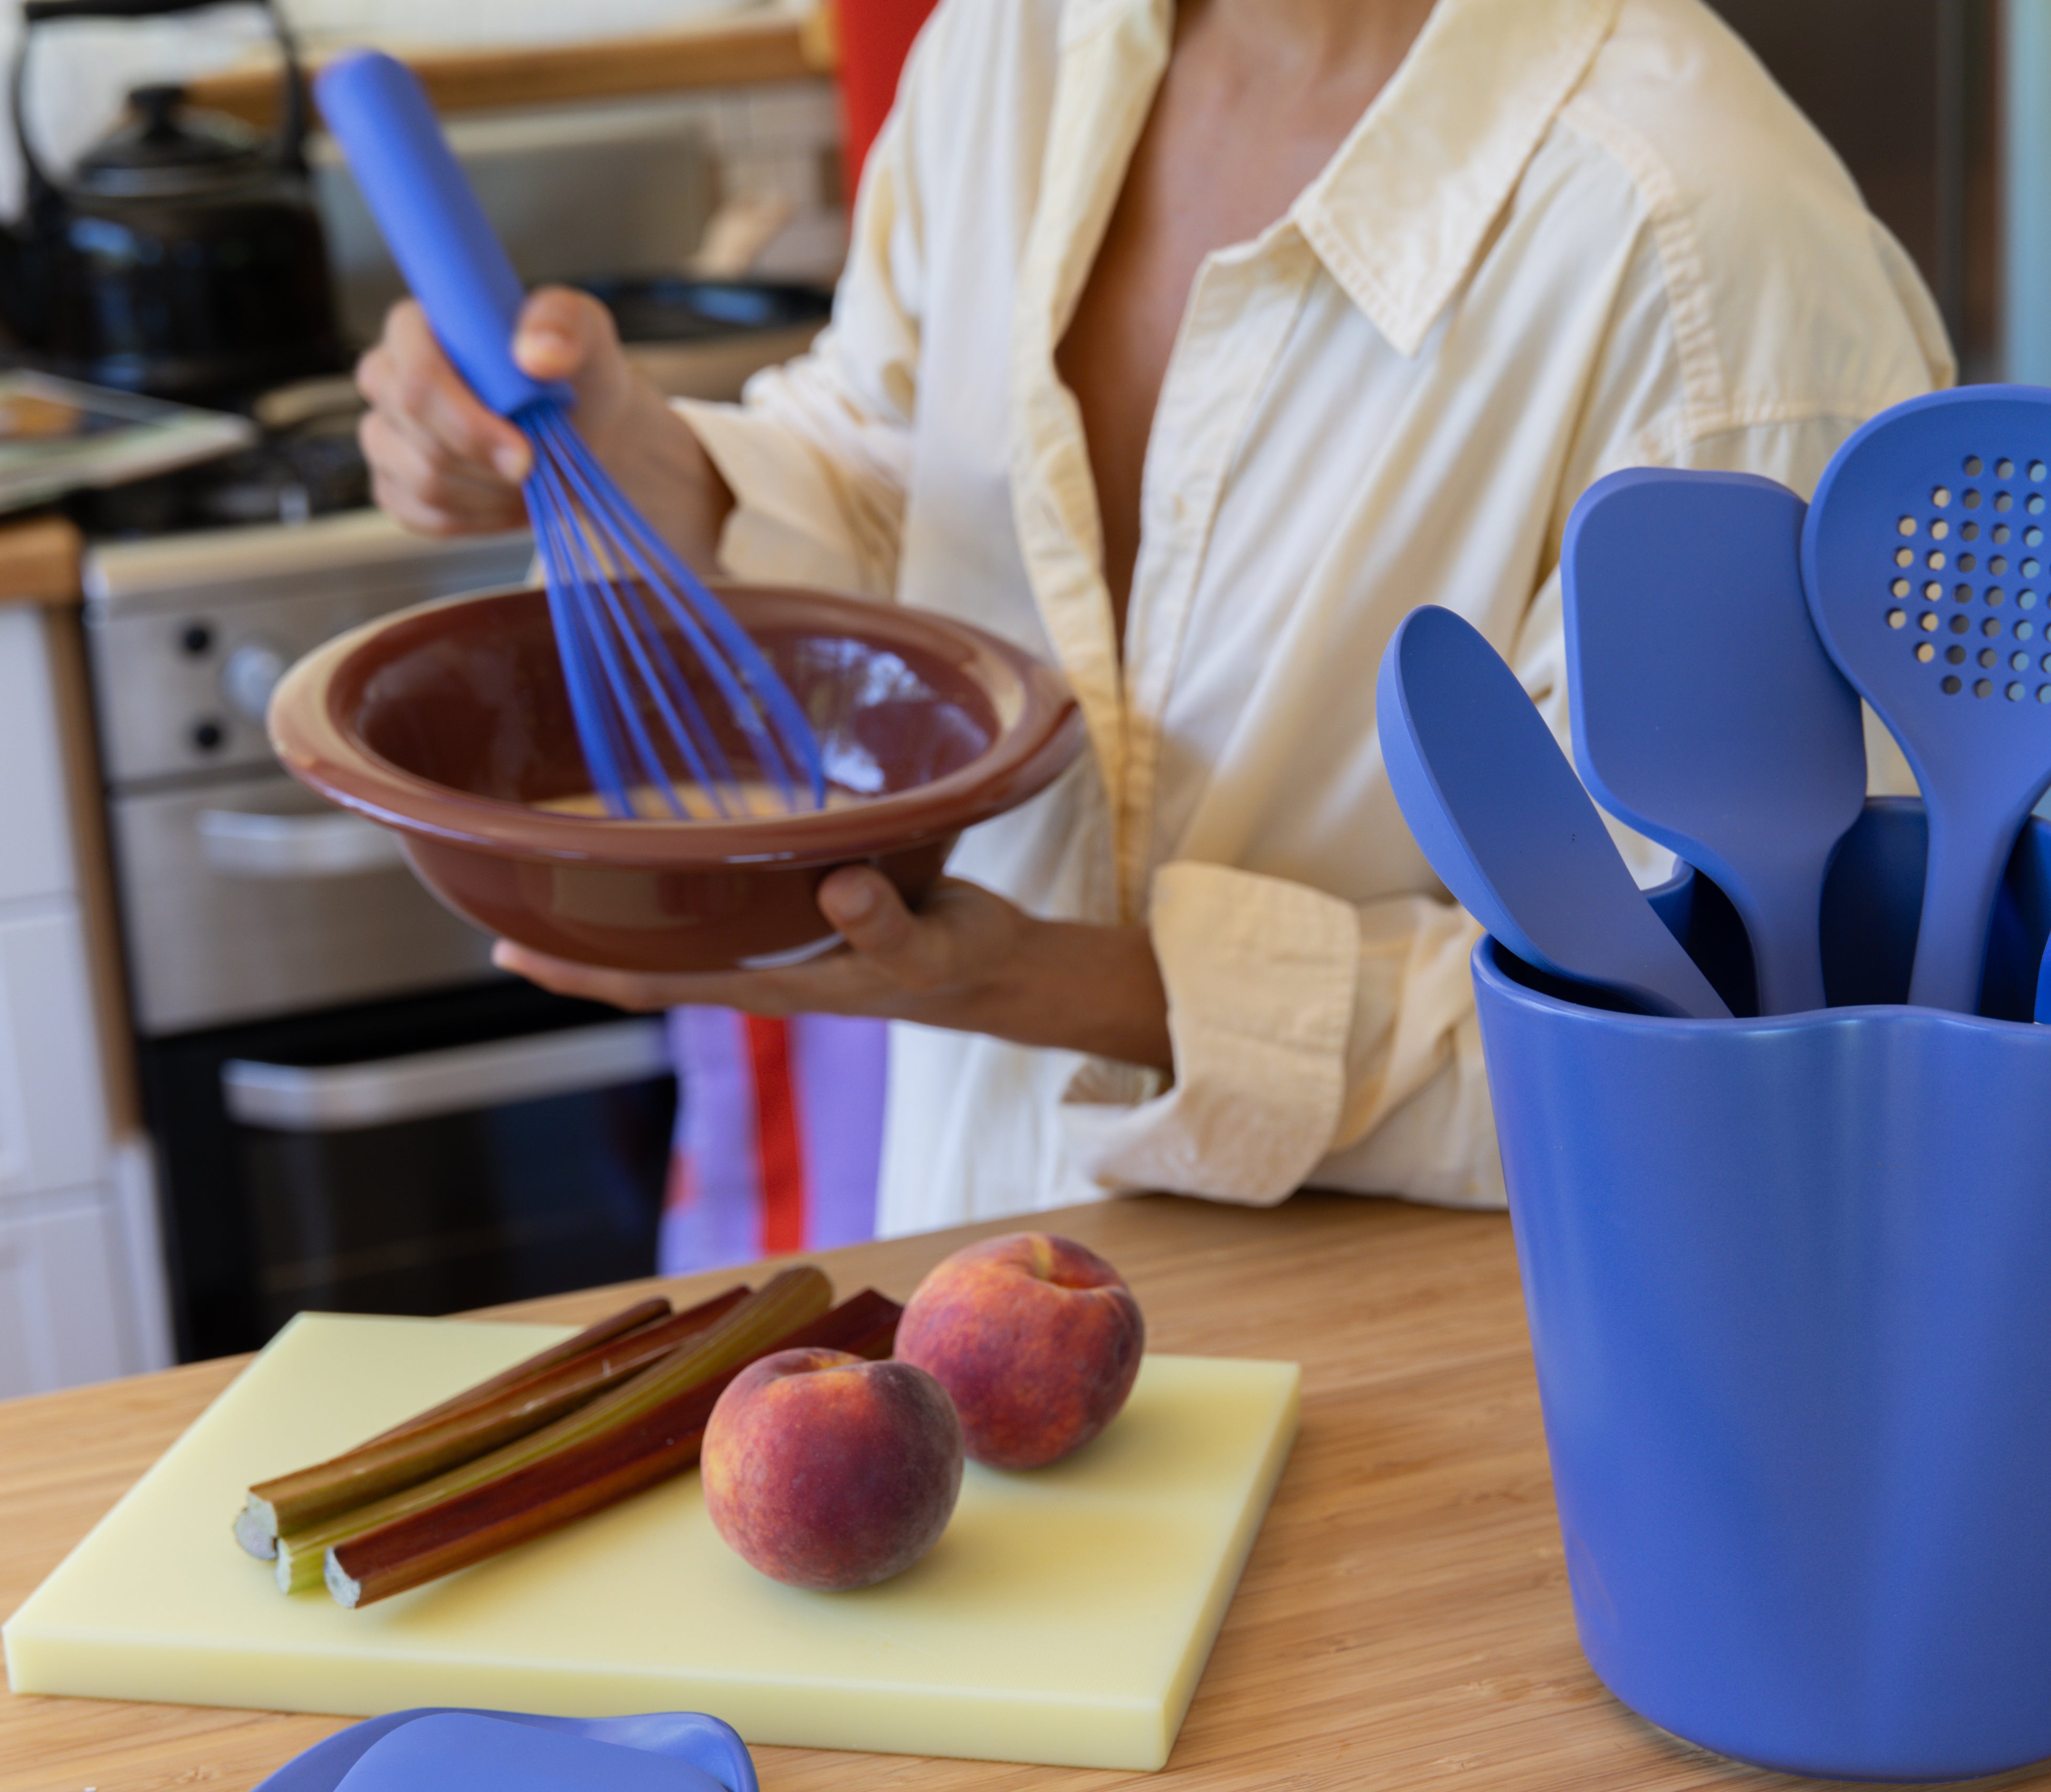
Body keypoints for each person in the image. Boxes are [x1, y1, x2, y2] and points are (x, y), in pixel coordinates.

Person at [355, 0, 1950, 1238]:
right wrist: (642, 463)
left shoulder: (1708, 258)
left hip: (1414, 1400)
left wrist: (1046, 982)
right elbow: (902, 469)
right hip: (967, 1305)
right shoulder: (1020, 41)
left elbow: (1726, 1051)